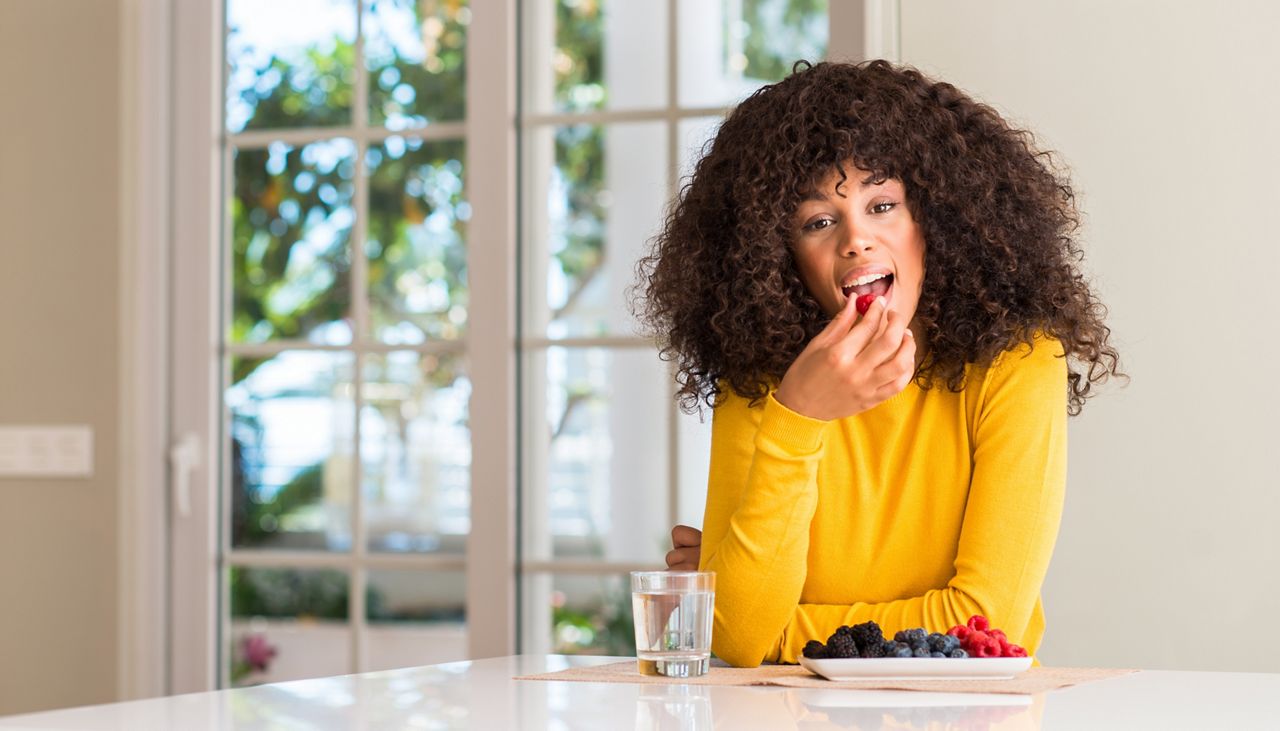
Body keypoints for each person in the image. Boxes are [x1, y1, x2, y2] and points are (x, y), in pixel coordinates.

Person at [634, 60, 1122, 667]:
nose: (855, 240)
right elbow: (736, 638)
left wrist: (773, 623)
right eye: (818, 221)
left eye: (883, 205)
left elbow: (986, 622)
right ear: (778, 256)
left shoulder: (1015, 362)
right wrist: (799, 416)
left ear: (936, 219)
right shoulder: (763, 382)